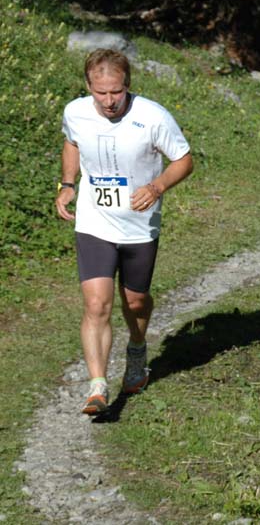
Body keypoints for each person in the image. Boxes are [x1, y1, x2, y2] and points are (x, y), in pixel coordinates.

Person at [55, 48, 193, 415]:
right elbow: (72, 142)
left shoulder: (152, 117)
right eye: (100, 92)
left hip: (139, 225)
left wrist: (157, 187)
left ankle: (136, 347)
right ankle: (97, 386)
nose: (109, 101)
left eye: (116, 91)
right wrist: (67, 184)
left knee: (134, 301)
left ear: (127, 84)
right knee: (96, 303)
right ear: (88, 86)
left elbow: (184, 160)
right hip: (95, 221)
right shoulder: (76, 112)